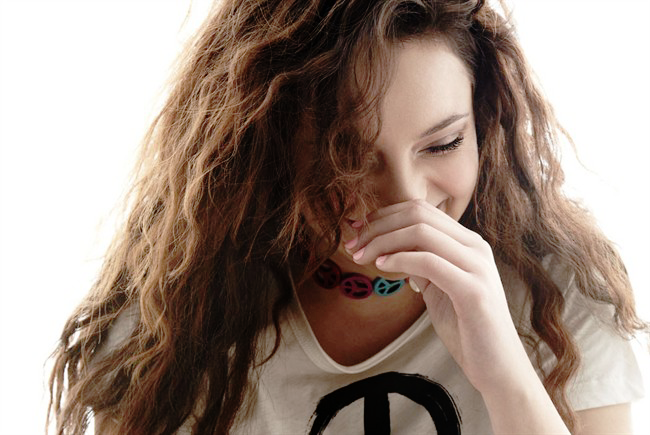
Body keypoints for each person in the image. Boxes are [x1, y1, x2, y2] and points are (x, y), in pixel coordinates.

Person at [47, 0, 646, 433]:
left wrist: (506, 377)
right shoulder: (166, 324)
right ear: (268, 148)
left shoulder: (560, 297)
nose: (407, 199)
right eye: (350, 157)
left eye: (442, 145)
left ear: (484, 125)